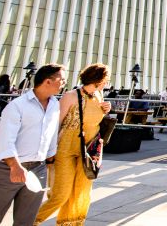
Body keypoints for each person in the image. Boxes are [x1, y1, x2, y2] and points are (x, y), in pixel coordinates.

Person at [0, 64, 66, 226]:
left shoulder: (54, 105)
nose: (64, 83)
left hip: (38, 168)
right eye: (61, 80)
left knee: (26, 221)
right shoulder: (17, 106)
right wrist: (15, 166)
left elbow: (51, 135)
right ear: (47, 81)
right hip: (10, 169)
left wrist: (51, 160)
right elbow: (5, 141)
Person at [35, 63, 112, 225]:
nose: (107, 82)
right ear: (98, 79)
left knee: (82, 191)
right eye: (106, 79)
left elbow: (95, 119)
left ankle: (71, 223)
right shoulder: (71, 96)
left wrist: (106, 109)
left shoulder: (99, 96)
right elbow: (56, 124)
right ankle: (30, 220)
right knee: (61, 194)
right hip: (66, 146)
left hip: (90, 148)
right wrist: (49, 151)